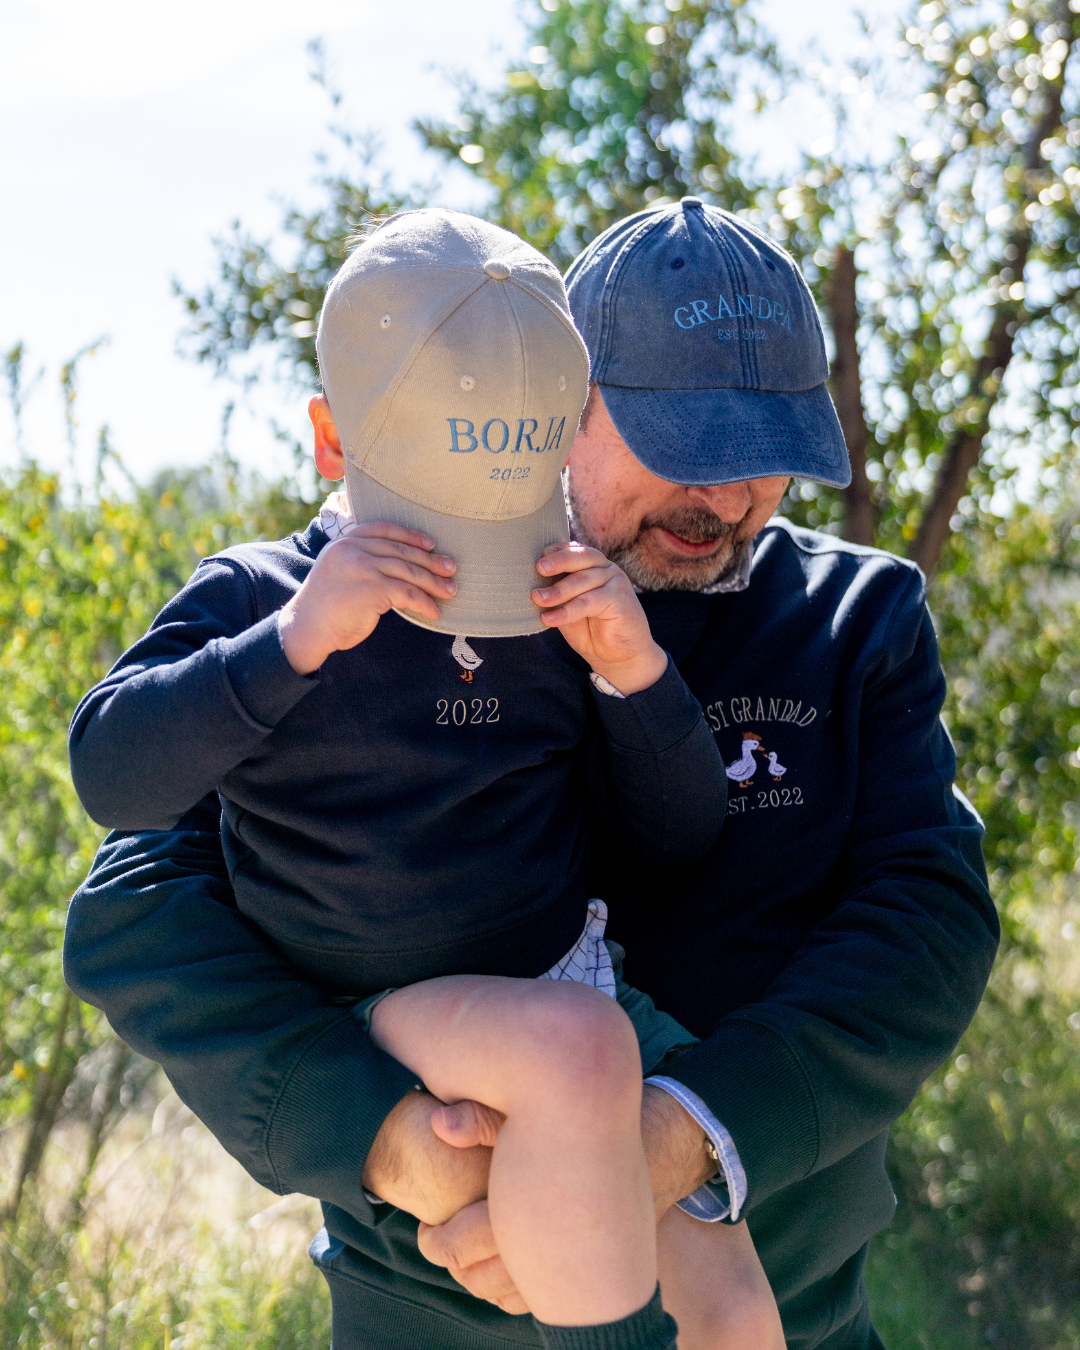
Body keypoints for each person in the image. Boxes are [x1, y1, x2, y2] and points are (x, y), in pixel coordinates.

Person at [64, 198, 998, 1350]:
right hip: (427, 1313)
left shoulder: (859, 622)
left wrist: (669, 1144)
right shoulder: (372, 604)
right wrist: (388, 1141)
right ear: (558, 408)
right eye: (685, 446)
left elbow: (928, 922)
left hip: (781, 1301)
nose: (726, 496)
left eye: (769, 458)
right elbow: (133, 908)